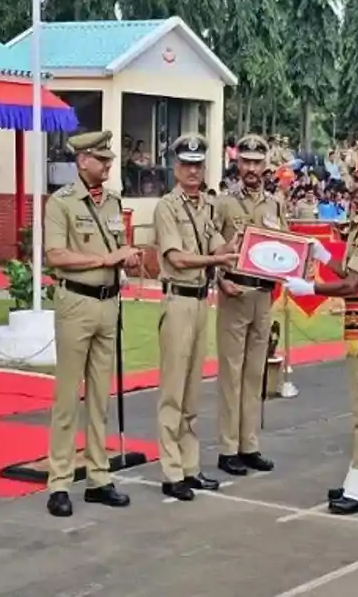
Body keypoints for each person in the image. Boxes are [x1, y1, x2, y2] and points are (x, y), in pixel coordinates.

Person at [283, 152, 358, 515]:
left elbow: (351, 283)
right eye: (356, 179)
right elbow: (350, 266)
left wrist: (309, 289)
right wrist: (323, 254)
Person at [43, 130, 140, 517]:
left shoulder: (113, 203)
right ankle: (60, 481)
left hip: (108, 303)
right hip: (76, 301)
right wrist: (107, 260)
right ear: (83, 161)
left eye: (109, 159)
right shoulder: (61, 203)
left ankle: (99, 476)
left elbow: (118, 247)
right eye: (102, 159)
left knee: (101, 396)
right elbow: (56, 255)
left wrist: (128, 261)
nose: (108, 165)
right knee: (68, 397)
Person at [154, 134, 241, 501]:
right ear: (176, 168)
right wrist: (218, 260)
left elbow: (216, 245)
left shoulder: (206, 206)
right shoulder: (167, 207)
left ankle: (190, 467)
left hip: (201, 299)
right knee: (173, 391)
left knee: (192, 391)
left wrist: (241, 245)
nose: (193, 171)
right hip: (178, 300)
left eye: (198, 165)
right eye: (187, 164)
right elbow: (177, 258)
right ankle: (171, 471)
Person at [214, 134, 286, 476]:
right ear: (237, 163)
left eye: (257, 162)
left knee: (255, 373)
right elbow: (210, 246)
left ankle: (249, 445)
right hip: (235, 292)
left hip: (263, 296)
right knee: (231, 373)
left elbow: (286, 245)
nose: (252, 168)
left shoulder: (275, 204)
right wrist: (218, 278)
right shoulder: (224, 203)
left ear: (266, 165)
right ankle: (228, 448)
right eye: (246, 161)